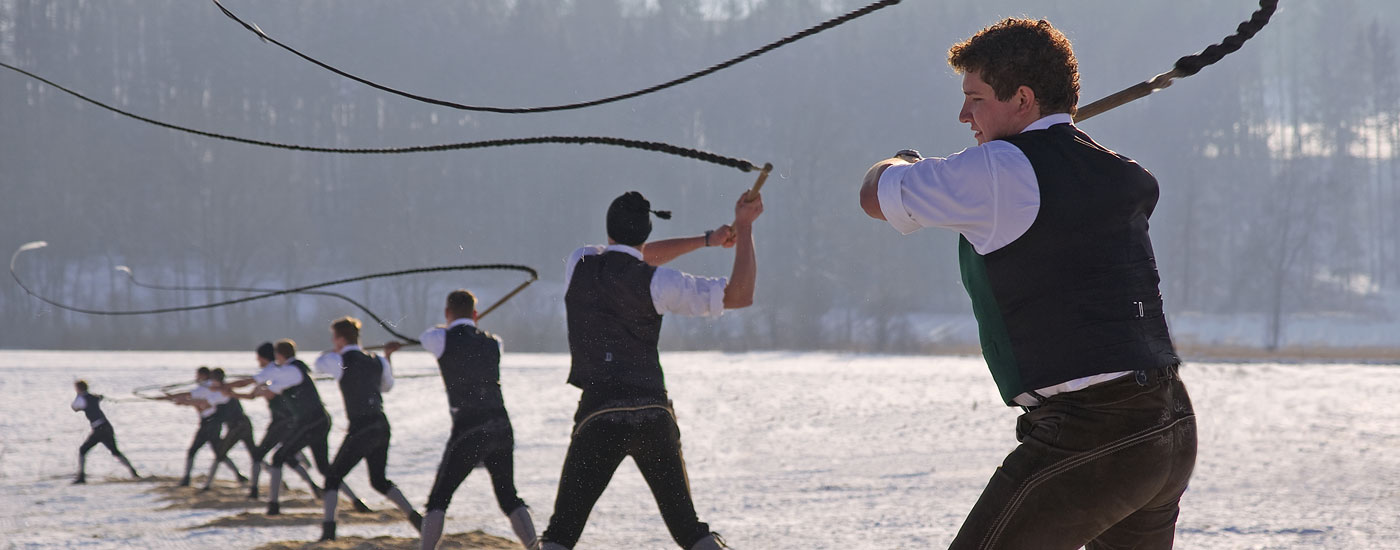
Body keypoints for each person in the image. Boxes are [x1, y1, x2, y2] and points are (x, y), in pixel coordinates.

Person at [857, 18, 1197, 549]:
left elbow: (874, 195)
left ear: (1022, 98)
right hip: (1168, 424)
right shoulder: (1111, 170)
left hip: (1092, 434)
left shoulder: (997, 169)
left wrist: (901, 161)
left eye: (976, 98)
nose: (964, 115)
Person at [539, 190, 762, 550]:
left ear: (608, 231)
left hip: (599, 414)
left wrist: (708, 239)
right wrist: (745, 228)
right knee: (690, 531)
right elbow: (740, 295)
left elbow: (633, 256)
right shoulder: (660, 283)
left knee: (560, 535)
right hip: (653, 414)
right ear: (645, 233)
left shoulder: (579, 262)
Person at [417, 290, 538, 550]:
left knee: (438, 499)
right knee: (509, 497)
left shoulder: (440, 338)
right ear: (475, 314)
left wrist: (450, 324)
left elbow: (427, 336)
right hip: (501, 424)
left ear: (447, 313)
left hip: (469, 426)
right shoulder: (495, 341)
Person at [314, 316, 422, 541]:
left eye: (334, 338)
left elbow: (318, 364)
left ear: (340, 339)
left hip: (361, 427)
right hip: (381, 425)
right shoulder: (377, 361)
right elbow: (387, 387)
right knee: (379, 481)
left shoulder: (341, 360)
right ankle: (415, 518)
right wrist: (388, 357)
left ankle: (328, 531)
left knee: (332, 478)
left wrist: (333, 351)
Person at [258, 339, 370, 516]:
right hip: (318, 421)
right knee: (324, 468)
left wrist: (231, 388)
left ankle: (273, 505)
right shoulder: (292, 370)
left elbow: (266, 391)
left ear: (279, 355)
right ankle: (356, 501)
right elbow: (265, 390)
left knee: (279, 456)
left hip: (312, 422)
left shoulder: (291, 371)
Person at [225, 342, 321, 500]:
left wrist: (227, 388)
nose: (258, 362)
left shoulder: (274, 372)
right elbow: (253, 393)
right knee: (287, 457)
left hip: (282, 420)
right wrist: (232, 393)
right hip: (286, 419)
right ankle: (312, 486)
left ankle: (255, 492)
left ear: (264, 358)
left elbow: (257, 391)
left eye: (259, 359)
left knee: (259, 454)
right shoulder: (276, 371)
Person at [165, 366, 245, 487]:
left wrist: (179, 400)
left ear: (203, 376)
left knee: (195, 451)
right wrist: (175, 398)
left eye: (197, 375)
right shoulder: (208, 388)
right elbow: (194, 399)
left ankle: (187, 478)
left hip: (209, 424)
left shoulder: (207, 389)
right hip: (211, 424)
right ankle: (238, 475)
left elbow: (198, 401)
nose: (196, 378)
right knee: (219, 453)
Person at [197, 368, 259, 491]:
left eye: (212, 380)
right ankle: (209, 484)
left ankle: (208, 485)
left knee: (220, 453)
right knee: (256, 454)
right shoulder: (223, 390)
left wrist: (183, 400)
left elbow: (205, 403)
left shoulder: (222, 392)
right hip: (244, 424)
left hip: (237, 427)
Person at [70, 380, 141, 484]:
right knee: (115, 452)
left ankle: (81, 477)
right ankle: (133, 472)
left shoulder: (81, 398)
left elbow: (74, 407)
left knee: (82, 450)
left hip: (98, 429)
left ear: (78, 389)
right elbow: (97, 399)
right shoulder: (93, 397)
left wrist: (78, 395)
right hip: (106, 427)